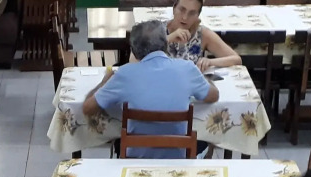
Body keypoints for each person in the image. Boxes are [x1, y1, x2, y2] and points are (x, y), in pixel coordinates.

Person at [80, 20, 218, 158]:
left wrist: (104, 82)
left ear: (134, 51)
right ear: (165, 45)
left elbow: (87, 108)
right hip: (178, 159)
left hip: (135, 159)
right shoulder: (187, 69)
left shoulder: (124, 74)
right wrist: (201, 76)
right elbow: (213, 96)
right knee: (206, 141)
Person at [167, 0, 242, 71]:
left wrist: (210, 62)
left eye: (192, 13)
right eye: (182, 10)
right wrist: (168, 38)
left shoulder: (202, 34)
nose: (185, 17)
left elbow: (236, 59)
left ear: (198, 16)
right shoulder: (158, 30)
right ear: (174, 8)